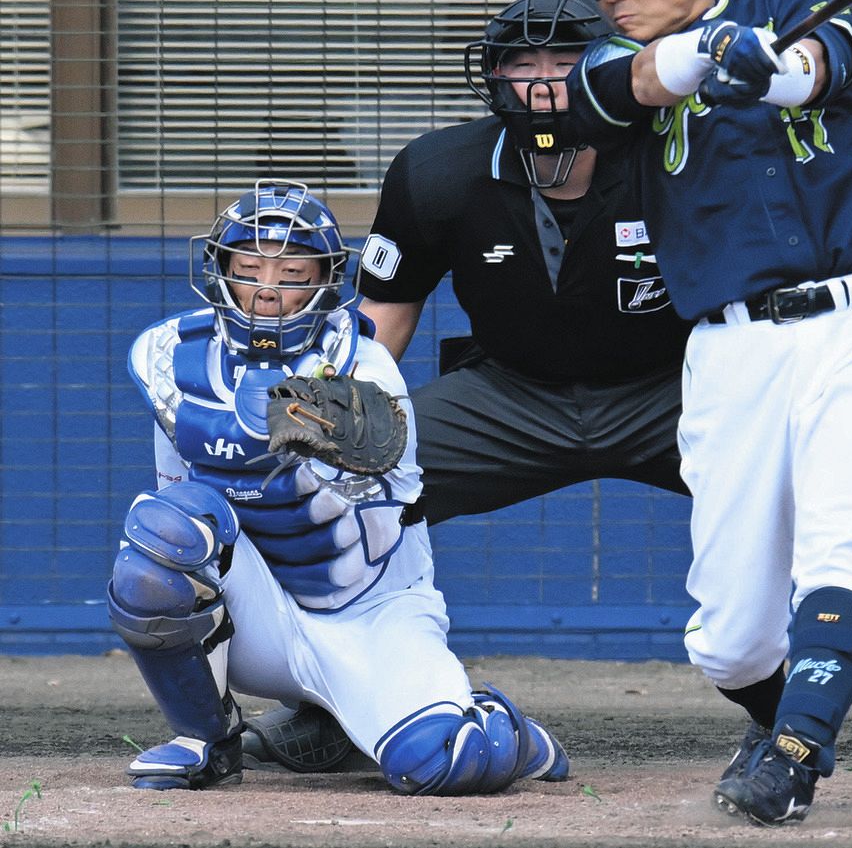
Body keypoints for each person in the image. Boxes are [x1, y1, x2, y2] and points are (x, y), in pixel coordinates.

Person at [242, 0, 852, 784]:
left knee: (838, 486)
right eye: (522, 62)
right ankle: (339, 699)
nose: (543, 81)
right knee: (342, 488)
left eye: (565, 59)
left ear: (612, 70)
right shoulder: (439, 171)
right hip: (511, 398)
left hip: (673, 389)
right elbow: (382, 318)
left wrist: (847, 425)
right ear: (492, 77)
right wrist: (332, 418)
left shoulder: (676, 151)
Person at [553, 0, 852, 824]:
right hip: (730, 352)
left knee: (841, 542)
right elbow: (614, 90)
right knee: (726, 637)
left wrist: (771, 66)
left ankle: (795, 759)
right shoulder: (616, 58)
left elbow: (822, 62)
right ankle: (788, 715)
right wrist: (694, 58)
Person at [108, 178, 568, 794]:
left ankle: (496, 727)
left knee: (449, 763)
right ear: (220, 270)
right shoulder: (169, 357)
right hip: (260, 618)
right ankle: (206, 741)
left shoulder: (363, 363)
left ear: (325, 278)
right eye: (249, 267)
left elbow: (380, 461)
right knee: (162, 537)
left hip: (370, 611)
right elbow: (178, 489)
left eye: (293, 272)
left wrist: (295, 419)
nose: (268, 290)